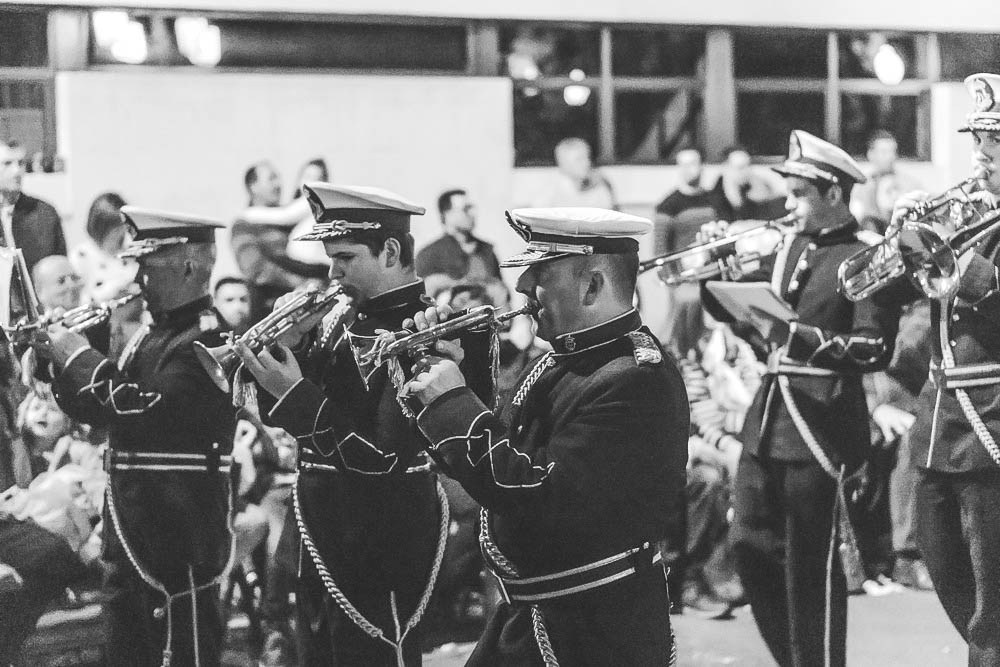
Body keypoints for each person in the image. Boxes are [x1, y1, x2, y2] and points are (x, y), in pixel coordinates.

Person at [400, 206, 689, 665]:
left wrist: (453, 403)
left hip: (591, 631)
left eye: (540, 273)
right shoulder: (567, 357)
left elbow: (533, 493)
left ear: (592, 285)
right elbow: (512, 449)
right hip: (541, 617)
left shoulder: (634, 378)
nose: (521, 288)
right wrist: (461, 371)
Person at [232, 183, 493, 666]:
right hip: (321, 527)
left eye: (345, 258)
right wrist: (290, 353)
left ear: (390, 251)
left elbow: (383, 457)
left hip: (381, 538)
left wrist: (295, 391)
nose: (332, 272)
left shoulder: (425, 327)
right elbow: (286, 419)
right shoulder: (338, 318)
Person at [701, 130, 898, 667]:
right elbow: (739, 315)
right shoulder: (791, 248)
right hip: (768, 419)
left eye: (799, 194)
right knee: (748, 546)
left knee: (811, 566)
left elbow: (874, 348)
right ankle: (793, 659)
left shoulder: (865, 256)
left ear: (833, 192)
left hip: (822, 423)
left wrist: (798, 336)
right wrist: (718, 268)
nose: (787, 206)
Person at [35, 207, 236, 667]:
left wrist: (80, 356)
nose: (137, 277)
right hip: (130, 531)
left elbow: (141, 408)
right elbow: (98, 409)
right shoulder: (152, 335)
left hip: (179, 536)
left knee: (179, 653)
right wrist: (55, 360)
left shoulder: (206, 341)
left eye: (148, 265)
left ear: (188, 267)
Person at [879, 73, 1000, 665]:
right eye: (979, 139)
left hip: (991, 424)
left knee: (993, 599)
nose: (981, 154)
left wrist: (951, 245)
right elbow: (886, 299)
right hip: (939, 420)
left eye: (995, 142)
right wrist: (906, 240)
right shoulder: (976, 214)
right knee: (938, 552)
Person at [231, 161, 328, 323]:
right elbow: (256, 268)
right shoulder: (244, 226)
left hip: (307, 308)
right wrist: (302, 284)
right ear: (253, 186)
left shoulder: (289, 222)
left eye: (278, 178)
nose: (278, 185)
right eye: (271, 179)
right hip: (269, 311)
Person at [415, 189, 502, 300]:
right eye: (465, 209)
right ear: (447, 214)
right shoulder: (428, 255)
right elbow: (423, 299)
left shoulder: (486, 250)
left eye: (471, 208)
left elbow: (502, 296)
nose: (472, 214)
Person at [0, 140, 67, 273]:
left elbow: (59, 269)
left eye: (20, 163)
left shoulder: (44, 214)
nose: (17, 171)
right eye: (7, 163)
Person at [851, 130, 921, 235]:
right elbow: (857, 216)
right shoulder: (861, 186)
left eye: (893, 151)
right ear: (871, 154)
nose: (890, 157)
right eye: (884, 152)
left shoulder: (908, 184)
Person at [536, 138, 617, 209]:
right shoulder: (548, 196)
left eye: (587, 157)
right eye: (579, 159)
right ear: (563, 163)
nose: (587, 163)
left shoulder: (600, 188)